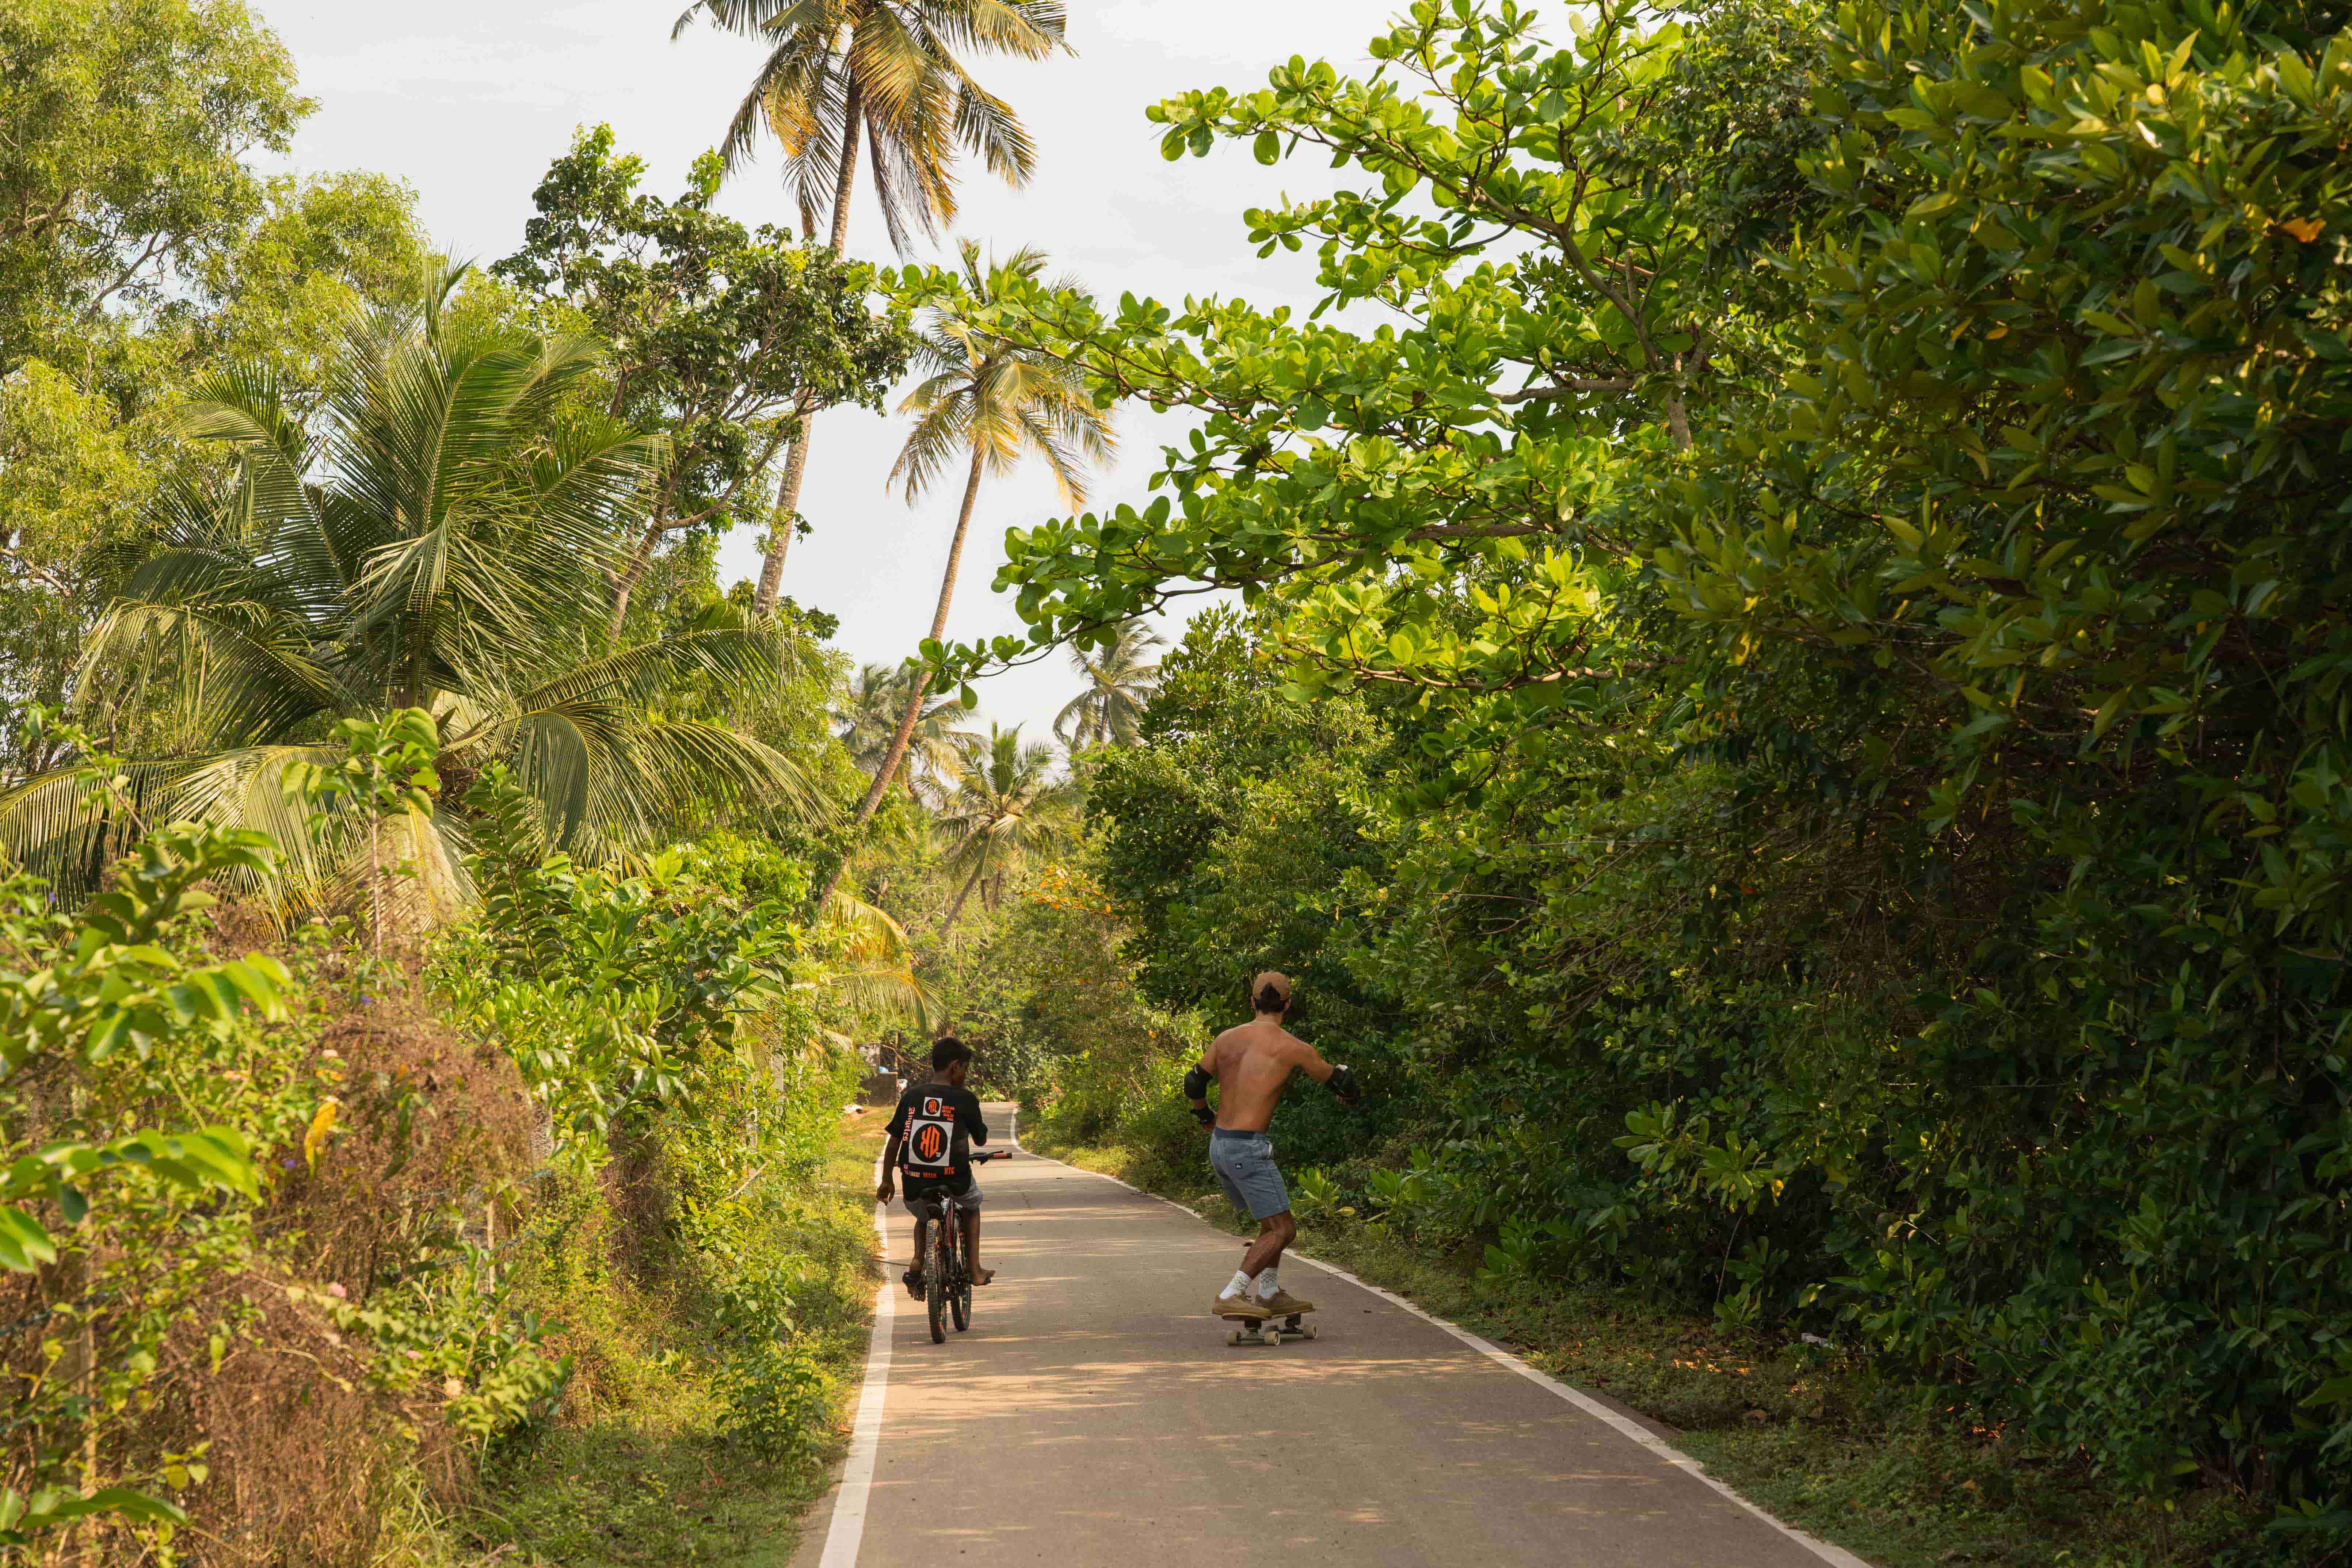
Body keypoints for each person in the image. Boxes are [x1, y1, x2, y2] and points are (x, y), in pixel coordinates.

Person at [1186, 971, 1358, 1319]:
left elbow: (1194, 1082)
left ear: (1252, 1002)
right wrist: (1349, 1094)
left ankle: (1268, 1292)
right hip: (1247, 1149)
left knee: (1270, 1222)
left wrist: (1205, 1117)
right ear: (1288, 1005)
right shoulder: (1293, 1047)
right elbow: (1339, 1079)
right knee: (1284, 1229)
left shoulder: (1225, 1039)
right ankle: (1231, 1293)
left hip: (1220, 1144)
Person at [876, 1037, 994, 1292]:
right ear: (955, 1066)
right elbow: (981, 1140)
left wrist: (887, 1180)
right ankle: (975, 1270)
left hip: (914, 1180)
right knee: (972, 1207)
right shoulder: (965, 1098)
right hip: (956, 1179)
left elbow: (894, 1140)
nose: (965, 1074)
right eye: (965, 1068)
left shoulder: (912, 1096)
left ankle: (919, 1258)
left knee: (924, 1213)